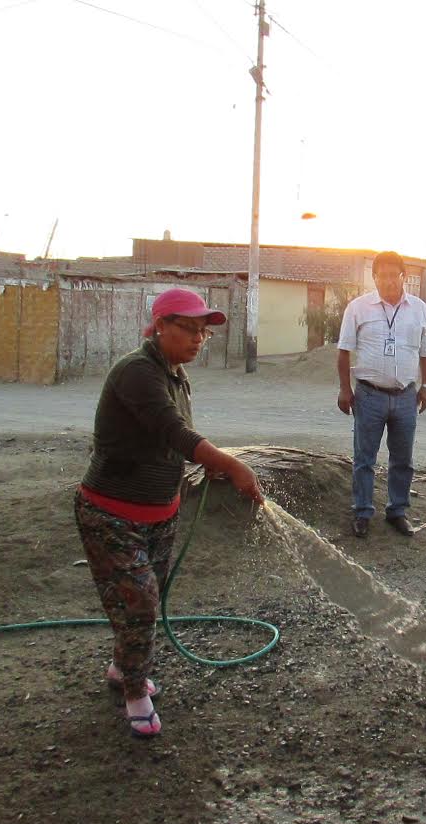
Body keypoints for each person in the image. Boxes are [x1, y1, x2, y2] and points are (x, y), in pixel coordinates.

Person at [74, 287, 264, 739]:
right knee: (140, 601)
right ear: (160, 326)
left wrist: (208, 466)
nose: (199, 339)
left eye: (204, 332)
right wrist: (232, 466)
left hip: (160, 511)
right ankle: (134, 691)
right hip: (111, 513)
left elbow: (174, 440)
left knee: (145, 596)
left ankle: (124, 667)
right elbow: (174, 431)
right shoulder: (136, 372)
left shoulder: (175, 374)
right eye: (190, 329)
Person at [337, 251, 426, 538]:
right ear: (374, 277)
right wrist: (345, 389)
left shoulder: (418, 309)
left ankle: (397, 511)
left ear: (403, 276)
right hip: (369, 395)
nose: (388, 280)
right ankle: (362, 512)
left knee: (402, 458)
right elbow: (344, 350)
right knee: (364, 458)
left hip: (406, 395)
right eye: (382, 275)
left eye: (394, 274)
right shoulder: (358, 308)